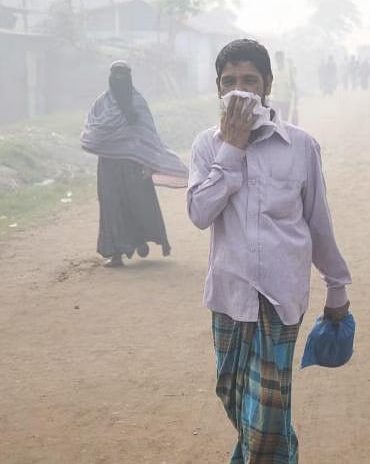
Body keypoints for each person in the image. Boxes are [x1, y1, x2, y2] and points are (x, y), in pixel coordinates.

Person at [187, 39, 352, 463]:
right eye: (229, 83)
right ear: (218, 89)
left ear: (268, 86)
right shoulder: (207, 147)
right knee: (235, 397)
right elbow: (200, 213)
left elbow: (318, 222)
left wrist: (337, 288)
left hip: (280, 297)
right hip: (228, 294)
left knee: (263, 418)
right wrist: (233, 147)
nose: (239, 91)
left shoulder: (300, 146)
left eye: (249, 81)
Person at [80, 61, 188, 267]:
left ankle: (139, 240)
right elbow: (92, 130)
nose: (119, 79)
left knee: (138, 204)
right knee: (112, 206)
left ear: (129, 77)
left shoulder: (138, 103)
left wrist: (149, 163)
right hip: (109, 165)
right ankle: (117, 254)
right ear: (110, 77)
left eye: (123, 75)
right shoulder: (102, 103)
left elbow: (148, 135)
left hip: (135, 164)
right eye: (116, 75)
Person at [271, 50, 298, 125]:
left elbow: (294, 85)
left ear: (283, 59)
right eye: (277, 59)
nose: (278, 61)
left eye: (280, 59)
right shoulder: (273, 71)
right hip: (274, 100)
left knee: (284, 122)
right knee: (273, 121)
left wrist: (296, 101)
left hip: (286, 101)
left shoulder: (289, 71)